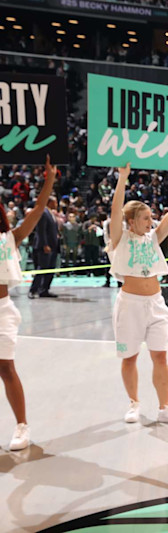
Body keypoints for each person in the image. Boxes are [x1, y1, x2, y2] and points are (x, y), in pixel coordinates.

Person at [108, 162, 168, 425]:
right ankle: (134, 403)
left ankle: (165, 407)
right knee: (129, 357)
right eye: (145, 218)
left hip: (156, 303)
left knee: (160, 355)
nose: (150, 221)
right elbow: (115, 210)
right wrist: (123, 179)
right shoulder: (120, 238)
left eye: (150, 217)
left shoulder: (153, 238)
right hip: (129, 305)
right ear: (131, 221)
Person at [0, 157, 56, 451]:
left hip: (2, 312)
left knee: (6, 367)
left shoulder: (10, 238)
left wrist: (49, 180)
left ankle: (22, 425)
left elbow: (37, 210)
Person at [28, 195, 59, 298]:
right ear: (50, 202)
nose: (57, 204)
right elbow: (41, 231)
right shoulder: (44, 213)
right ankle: (33, 290)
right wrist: (45, 244)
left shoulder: (51, 213)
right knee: (42, 268)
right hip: (45, 246)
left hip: (53, 246)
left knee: (50, 269)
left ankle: (44, 289)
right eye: (55, 202)